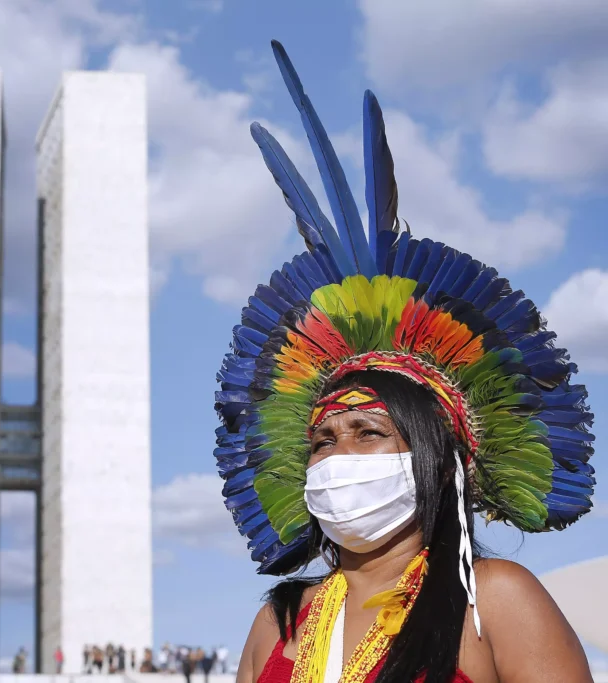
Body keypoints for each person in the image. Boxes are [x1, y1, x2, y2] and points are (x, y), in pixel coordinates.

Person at [216, 40, 596, 683]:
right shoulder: (278, 622)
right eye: (321, 441)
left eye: (369, 433)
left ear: (431, 452)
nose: (335, 460)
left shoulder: (494, 601)